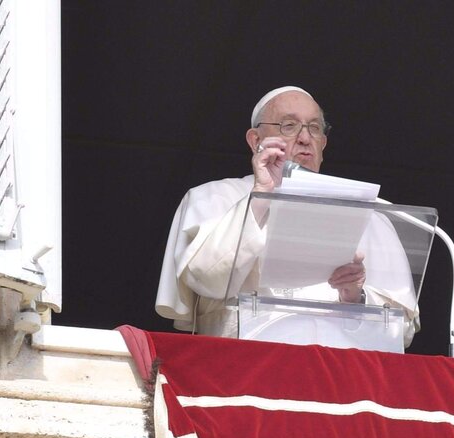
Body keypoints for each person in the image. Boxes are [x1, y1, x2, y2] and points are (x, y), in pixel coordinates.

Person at [155, 86, 419, 347]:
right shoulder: (212, 197)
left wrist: (355, 298)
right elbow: (206, 279)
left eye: (315, 128)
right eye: (289, 126)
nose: (305, 138)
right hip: (244, 373)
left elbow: (402, 330)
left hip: (342, 379)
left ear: (323, 144)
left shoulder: (373, 213)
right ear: (255, 140)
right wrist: (261, 197)